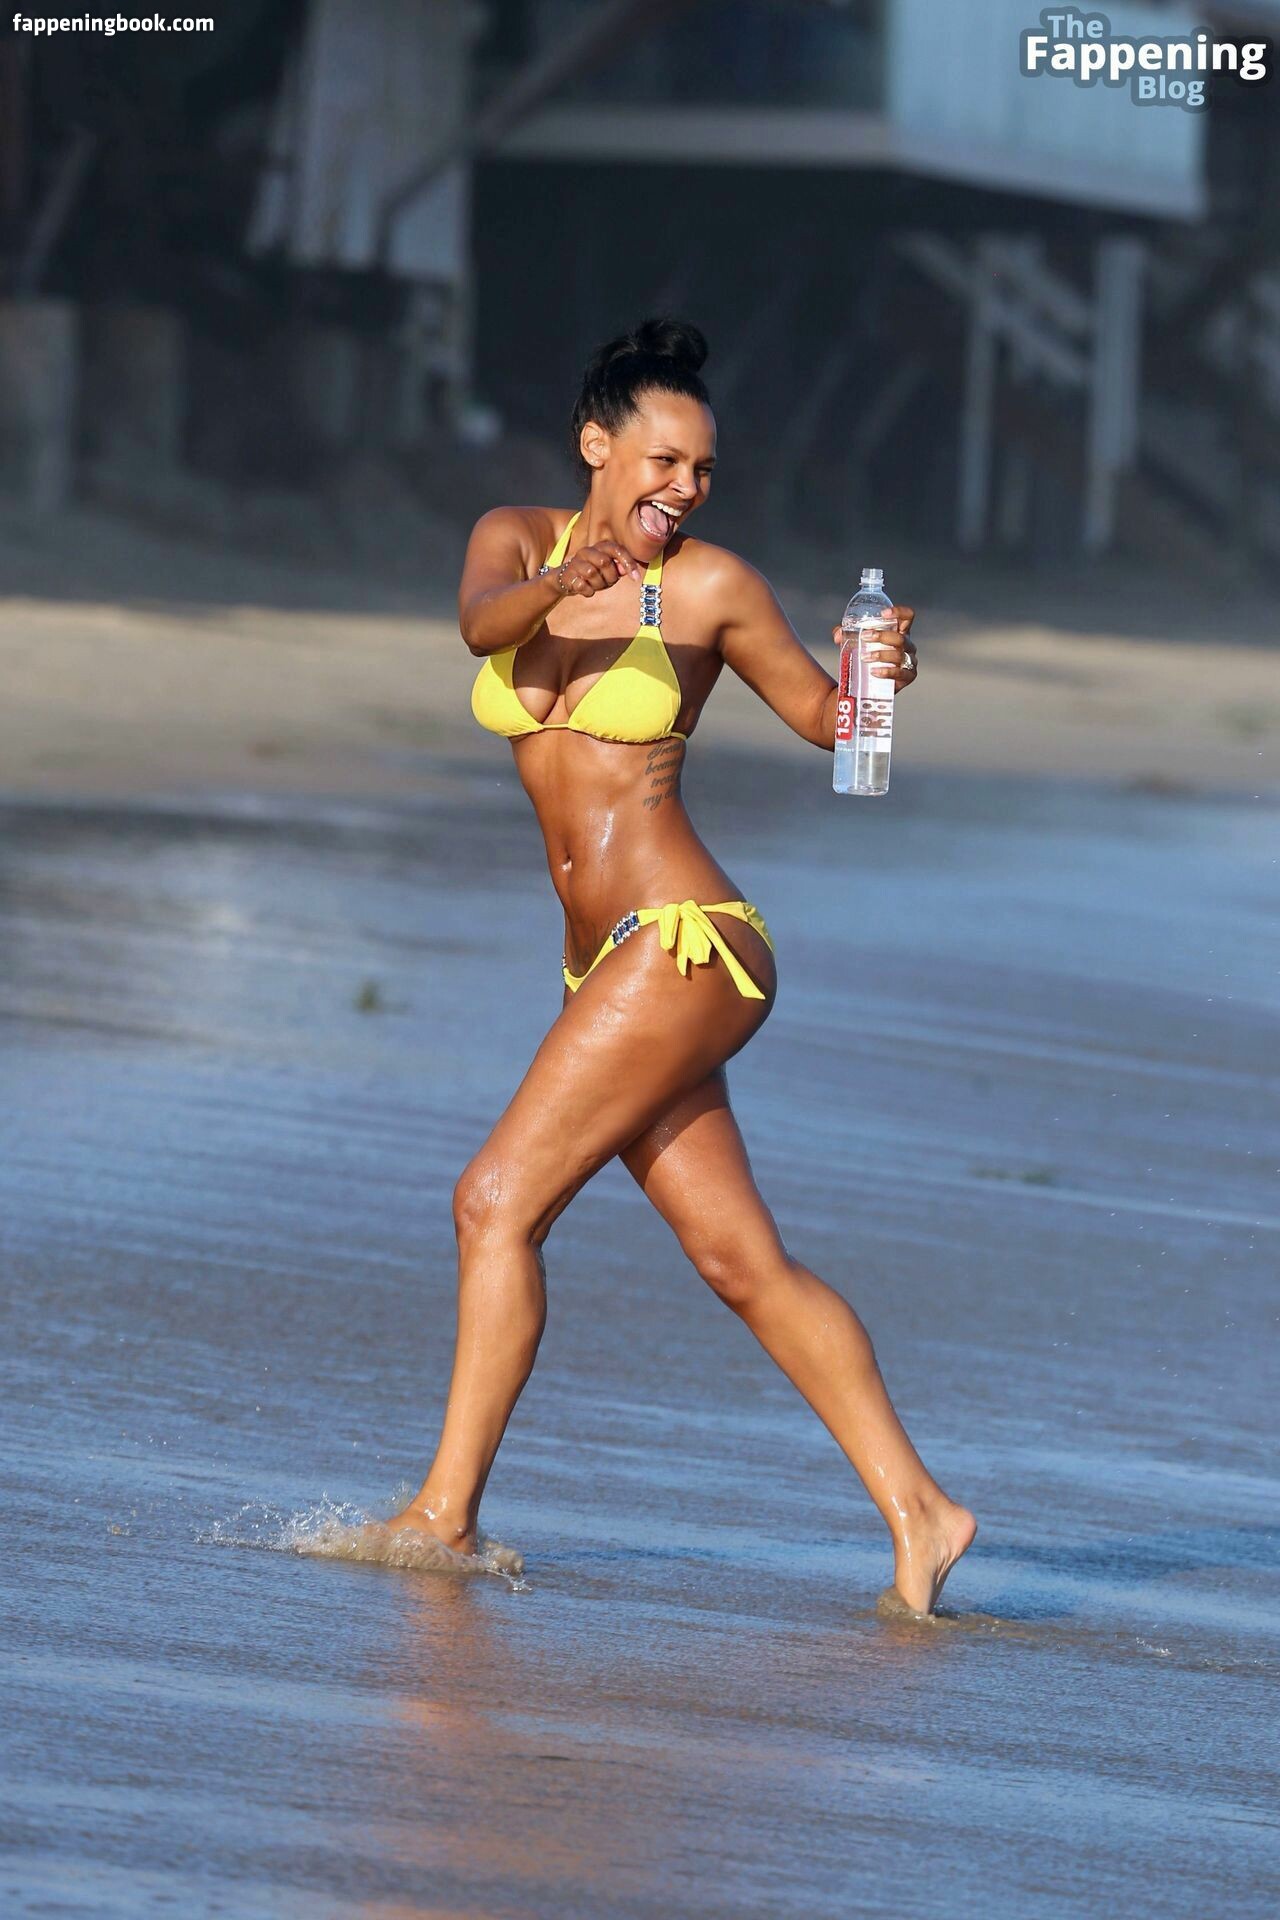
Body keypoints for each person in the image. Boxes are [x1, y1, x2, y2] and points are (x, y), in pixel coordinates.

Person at [380, 319, 976, 1616]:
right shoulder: (513, 538)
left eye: (703, 470)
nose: (686, 489)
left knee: (494, 1204)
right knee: (737, 1262)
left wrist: (883, 676)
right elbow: (482, 629)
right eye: (665, 461)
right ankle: (925, 1512)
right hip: (604, 964)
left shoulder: (710, 589)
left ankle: (443, 1517)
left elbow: (831, 724)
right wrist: (563, 582)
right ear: (598, 445)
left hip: (687, 939)